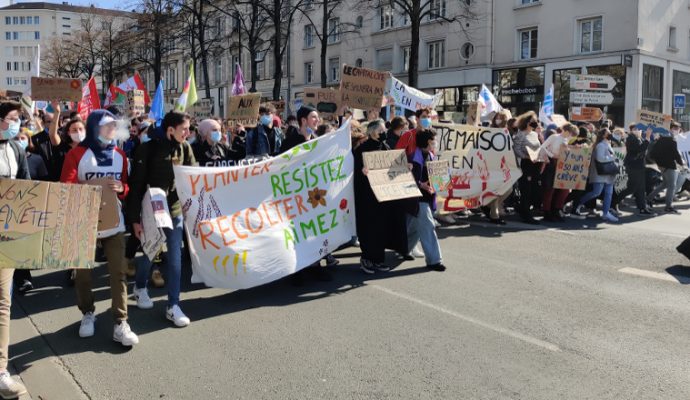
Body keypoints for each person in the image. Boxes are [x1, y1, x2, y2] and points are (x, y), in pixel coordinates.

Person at [60, 110, 139, 346]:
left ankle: (120, 322)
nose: (112, 130)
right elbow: (66, 186)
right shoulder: (77, 154)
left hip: (114, 223)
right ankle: (87, 313)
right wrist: (92, 187)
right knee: (83, 273)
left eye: (114, 126)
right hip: (83, 222)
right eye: (107, 126)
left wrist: (121, 189)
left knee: (118, 272)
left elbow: (126, 187)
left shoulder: (121, 156)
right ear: (95, 128)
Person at [128, 111, 196, 327]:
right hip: (152, 210)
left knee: (175, 258)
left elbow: (193, 176)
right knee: (150, 250)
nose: (188, 132)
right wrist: (135, 220)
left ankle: (173, 305)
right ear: (170, 130)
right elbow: (136, 185)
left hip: (174, 211)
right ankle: (139, 287)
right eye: (184, 129)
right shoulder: (147, 149)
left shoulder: (185, 147)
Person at [0, 100, 29, 399]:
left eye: (18, 119)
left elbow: (27, 190)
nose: (16, 124)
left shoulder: (17, 149)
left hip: (5, 235)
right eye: (10, 118)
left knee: (2, 302)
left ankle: (1, 372)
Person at [354, 120, 408, 273]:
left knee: (381, 229)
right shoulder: (361, 150)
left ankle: (378, 260)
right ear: (372, 132)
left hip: (382, 198)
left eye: (384, 130)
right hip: (367, 199)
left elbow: (391, 169)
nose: (384, 133)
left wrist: (404, 167)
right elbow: (356, 173)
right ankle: (367, 259)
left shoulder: (385, 147)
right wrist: (362, 171)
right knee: (369, 229)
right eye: (381, 130)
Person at [11, 129, 48, 293]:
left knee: (23, 242)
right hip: (9, 206)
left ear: (29, 140)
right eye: (17, 138)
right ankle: (20, 277)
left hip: (30, 206)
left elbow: (44, 183)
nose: (20, 140)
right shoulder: (7, 158)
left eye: (23, 137)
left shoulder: (37, 160)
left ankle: (23, 276)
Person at [407, 129, 446, 271]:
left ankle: (403, 249)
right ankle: (434, 261)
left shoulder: (431, 155)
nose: (435, 142)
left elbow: (437, 179)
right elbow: (405, 178)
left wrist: (441, 182)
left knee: (415, 228)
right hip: (417, 198)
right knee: (428, 226)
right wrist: (420, 184)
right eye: (433, 140)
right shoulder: (412, 157)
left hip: (427, 197)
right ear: (427, 142)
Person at [572, 129, 619, 222]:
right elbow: (600, 158)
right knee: (596, 192)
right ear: (603, 135)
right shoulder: (600, 145)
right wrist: (613, 157)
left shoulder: (607, 144)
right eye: (608, 133)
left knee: (609, 194)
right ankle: (579, 203)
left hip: (608, 173)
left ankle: (606, 213)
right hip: (600, 173)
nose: (610, 134)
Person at [539, 123, 578, 222]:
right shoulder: (554, 137)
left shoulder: (567, 140)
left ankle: (556, 209)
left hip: (563, 165)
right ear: (566, 131)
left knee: (563, 189)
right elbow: (543, 147)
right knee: (550, 189)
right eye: (570, 134)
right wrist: (552, 155)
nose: (571, 136)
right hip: (552, 164)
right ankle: (547, 211)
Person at [646, 122, 686, 213]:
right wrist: (682, 164)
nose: (677, 131)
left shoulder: (661, 138)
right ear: (671, 129)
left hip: (662, 166)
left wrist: (659, 164)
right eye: (676, 129)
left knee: (664, 184)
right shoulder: (672, 140)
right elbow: (676, 155)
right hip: (670, 166)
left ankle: (648, 198)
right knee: (672, 186)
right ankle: (668, 206)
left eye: (678, 129)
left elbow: (653, 153)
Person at [512, 111, 543, 224]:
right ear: (526, 122)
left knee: (534, 189)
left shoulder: (535, 134)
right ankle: (525, 213)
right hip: (526, 164)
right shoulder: (521, 134)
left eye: (536, 121)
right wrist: (526, 156)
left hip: (536, 164)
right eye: (533, 122)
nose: (535, 123)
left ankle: (523, 209)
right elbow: (516, 149)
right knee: (526, 190)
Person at [617, 125, 654, 215]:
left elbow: (643, 150)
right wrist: (648, 137)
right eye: (635, 129)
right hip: (633, 166)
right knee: (631, 188)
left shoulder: (638, 138)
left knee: (640, 189)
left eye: (638, 129)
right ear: (631, 131)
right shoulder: (631, 138)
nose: (638, 130)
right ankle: (613, 201)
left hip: (639, 166)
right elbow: (639, 149)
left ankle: (642, 208)